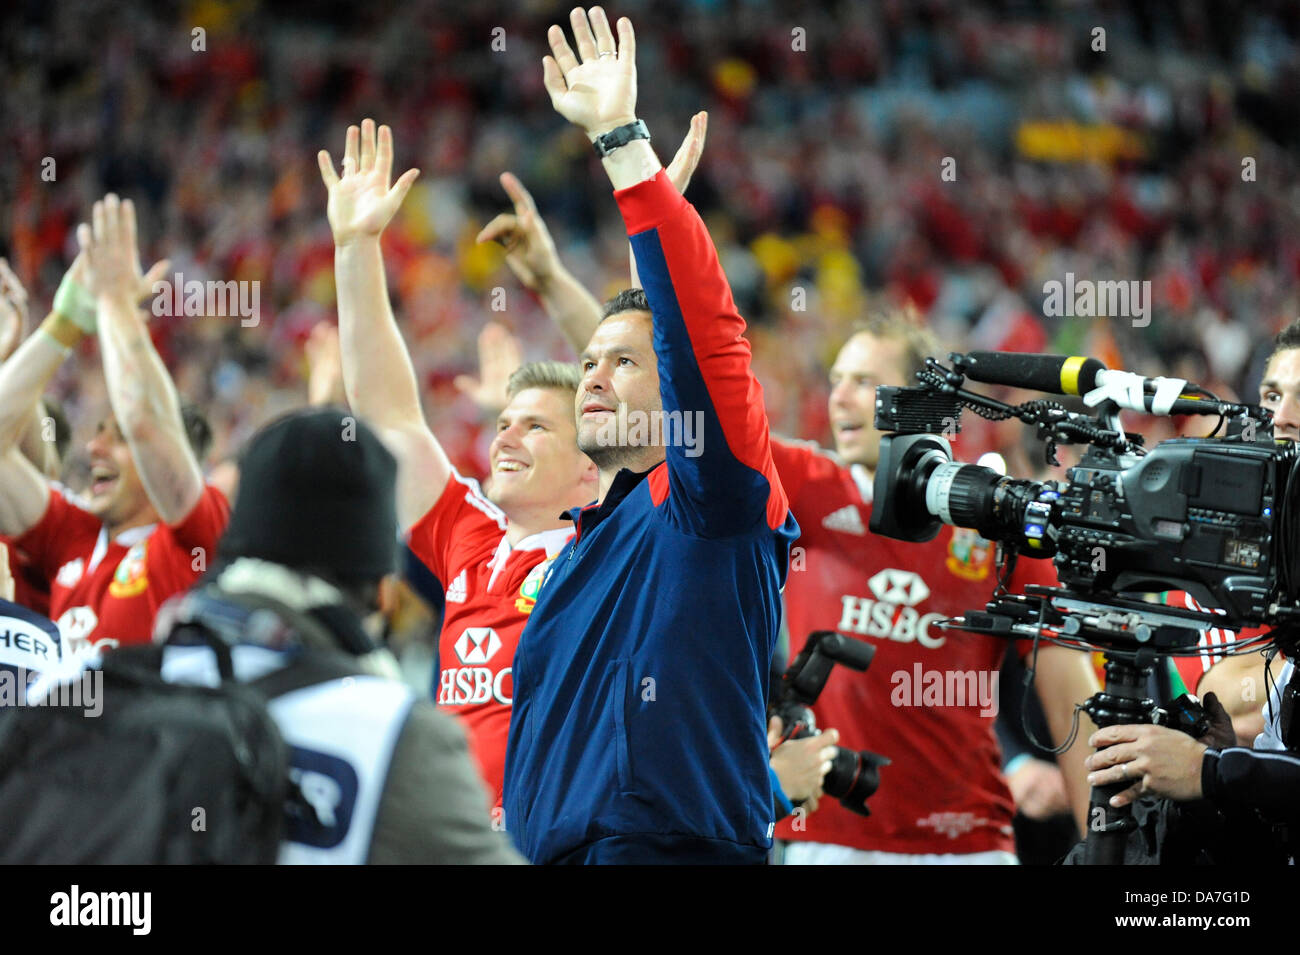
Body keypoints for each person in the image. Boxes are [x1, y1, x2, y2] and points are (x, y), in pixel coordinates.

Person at [498, 7, 798, 865]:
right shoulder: (592, 535)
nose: (590, 375)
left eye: (619, 364)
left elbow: (697, 342)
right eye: (585, 361)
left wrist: (628, 155)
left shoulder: (710, 501)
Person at [317, 119, 598, 807]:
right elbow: (390, 415)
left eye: (535, 427)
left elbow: (639, 399)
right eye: (504, 422)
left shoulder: (610, 546)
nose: (504, 437)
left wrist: (554, 282)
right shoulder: (468, 533)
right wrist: (356, 250)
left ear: (594, 464)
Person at [0, 196, 228, 655]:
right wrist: (65, 325)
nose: (93, 448)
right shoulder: (74, 535)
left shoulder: (195, 541)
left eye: (116, 437)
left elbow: (147, 422)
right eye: (99, 431)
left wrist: (114, 305)